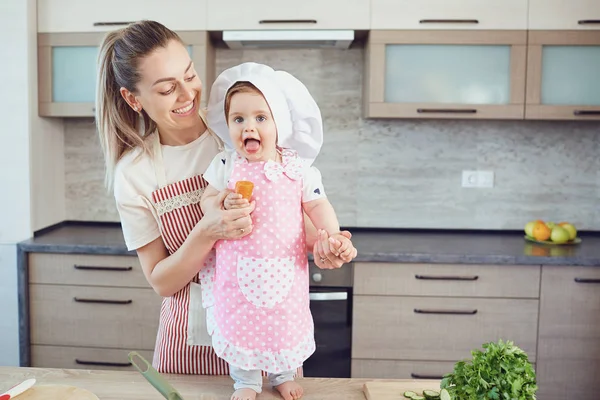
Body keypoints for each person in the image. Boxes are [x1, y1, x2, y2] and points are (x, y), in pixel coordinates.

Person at [95, 20, 357, 376]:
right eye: (168, 88)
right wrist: (208, 230)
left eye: (189, 75)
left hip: (269, 333)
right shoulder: (135, 173)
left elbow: (300, 229)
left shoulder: (238, 129)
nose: (187, 95)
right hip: (189, 344)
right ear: (133, 98)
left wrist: (326, 246)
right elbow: (161, 281)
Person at [199, 63, 353, 400]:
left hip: (285, 270)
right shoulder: (224, 164)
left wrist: (334, 235)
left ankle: (282, 375)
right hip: (237, 272)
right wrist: (220, 203)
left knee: (283, 325)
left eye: (260, 118)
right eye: (238, 119)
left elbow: (318, 205)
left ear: (278, 124)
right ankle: (246, 381)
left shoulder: (299, 169)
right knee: (241, 323)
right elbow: (206, 201)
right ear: (228, 126)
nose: (248, 127)